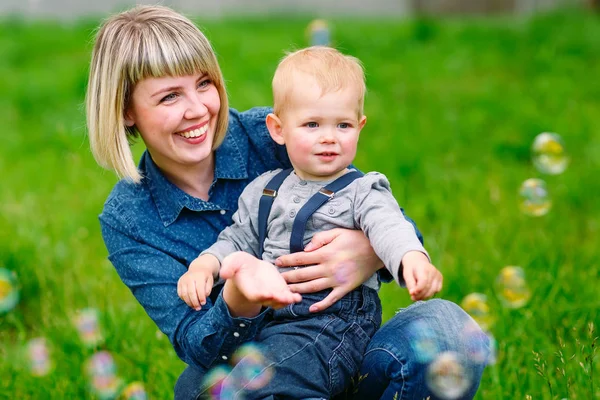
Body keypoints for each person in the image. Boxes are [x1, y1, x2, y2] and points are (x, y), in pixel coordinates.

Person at [86, 5, 489, 400]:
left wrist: (368, 253)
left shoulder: (277, 134)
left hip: (345, 338)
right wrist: (236, 299)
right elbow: (197, 345)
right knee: (198, 391)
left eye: (204, 83)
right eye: (170, 96)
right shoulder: (128, 218)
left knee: (447, 330)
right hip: (261, 369)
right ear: (126, 110)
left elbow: (383, 213)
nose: (198, 110)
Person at [176, 46, 442, 399]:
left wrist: (412, 258)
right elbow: (237, 238)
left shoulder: (363, 189)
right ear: (278, 129)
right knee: (208, 385)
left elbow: (388, 225)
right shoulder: (265, 188)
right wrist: (204, 266)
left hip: (331, 324)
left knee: (273, 377)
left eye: (343, 125)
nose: (329, 137)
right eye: (312, 124)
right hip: (273, 323)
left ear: (360, 127)